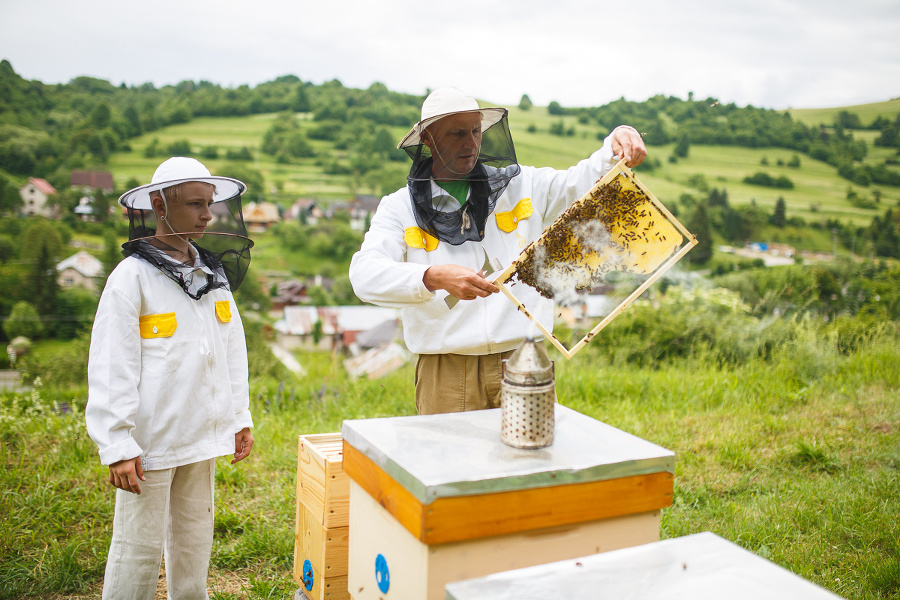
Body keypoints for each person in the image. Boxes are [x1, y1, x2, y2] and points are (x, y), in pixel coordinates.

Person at [349, 87, 646, 415]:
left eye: (476, 131)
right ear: (429, 139)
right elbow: (364, 274)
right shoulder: (399, 207)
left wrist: (615, 143)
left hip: (525, 358)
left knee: (532, 460)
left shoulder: (521, 186)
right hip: (446, 371)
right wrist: (432, 277)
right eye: (457, 133)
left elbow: (580, 182)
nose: (470, 143)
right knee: (453, 465)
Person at [85, 157, 255, 598]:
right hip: (150, 443)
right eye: (196, 204)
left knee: (195, 536)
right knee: (136, 547)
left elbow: (232, 351)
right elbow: (112, 363)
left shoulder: (213, 276)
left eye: (211, 204)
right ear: (160, 206)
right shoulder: (132, 278)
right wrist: (117, 443)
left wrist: (240, 415)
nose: (207, 215)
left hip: (203, 432)